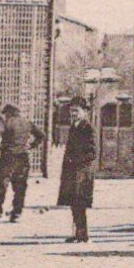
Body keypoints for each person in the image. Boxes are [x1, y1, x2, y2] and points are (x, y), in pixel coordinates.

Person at [0, 103, 47, 222]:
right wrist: (32, 145)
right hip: (23, 157)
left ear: (9, 113)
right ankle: (17, 213)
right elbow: (41, 135)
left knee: (1, 184)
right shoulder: (27, 122)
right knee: (20, 186)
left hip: (8, 156)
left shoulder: (6, 122)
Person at [58, 99, 96, 243]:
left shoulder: (88, 128)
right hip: (72, 171)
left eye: (76, 110)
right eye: (71, 110)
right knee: (74, 202)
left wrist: (77, 161)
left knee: (80, 202)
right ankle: (78, 233)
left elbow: (92, 152)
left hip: (81, 172)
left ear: (84, 112)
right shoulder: (74, 126)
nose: (73, 113)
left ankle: (82, 234)